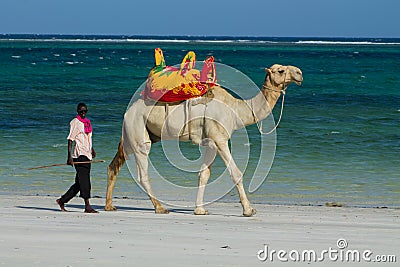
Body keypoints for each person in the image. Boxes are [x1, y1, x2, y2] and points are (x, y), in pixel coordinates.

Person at [56, 103, 98, 213]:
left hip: (87, 154)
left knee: (79, 183)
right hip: (79, 155)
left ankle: (62, 200)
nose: (83, 113)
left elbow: (87, 138)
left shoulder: (87, 122)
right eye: (81, 111)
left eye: (85, 111)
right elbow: (70, 140)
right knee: (85, 181)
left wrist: (92, 149)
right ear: (77, 111)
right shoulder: (75, 122)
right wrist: (69, 157)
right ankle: (87, 206)